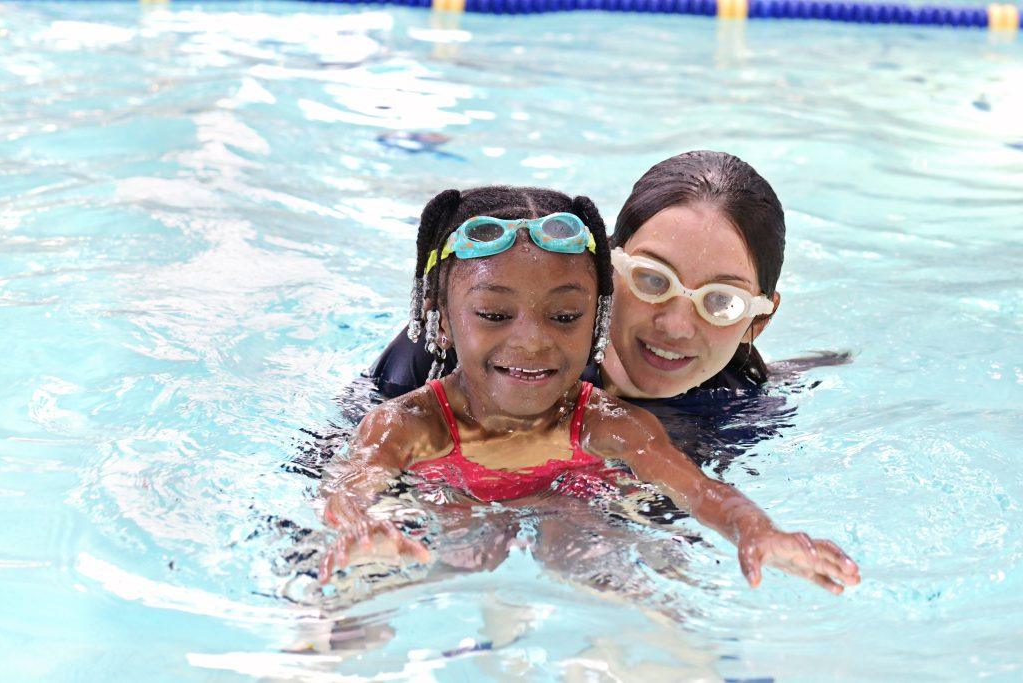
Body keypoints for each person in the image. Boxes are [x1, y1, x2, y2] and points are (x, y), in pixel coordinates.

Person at [319, 185, 860, 595]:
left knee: (590, 555)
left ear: (598, 319)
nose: (531, 341)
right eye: (493, 314)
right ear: (440, 320)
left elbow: (698, 490)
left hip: (571, 508)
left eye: (564, 315)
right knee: (455, 555)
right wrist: (361, 526)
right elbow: (350, 481)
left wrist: (756, 530)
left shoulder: (609, 422)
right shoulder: (408, 420)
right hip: (452, 511)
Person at [366, 150, 800, 406]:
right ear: (606, 270)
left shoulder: (734, 410)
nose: (675, 326)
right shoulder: (462, 339)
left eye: (722, 302)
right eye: (653, 279)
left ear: (759, 322)